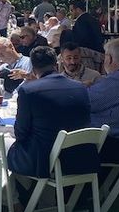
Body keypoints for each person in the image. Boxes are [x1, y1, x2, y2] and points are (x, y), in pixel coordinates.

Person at [8, 46, 99, 179]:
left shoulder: (28, 91)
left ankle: (13, 197)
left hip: (46, 160)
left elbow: (20, 133)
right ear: (57, 65)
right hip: (82, 156)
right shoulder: (80, 88)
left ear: (33, 69)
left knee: (0, 147)